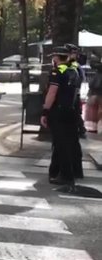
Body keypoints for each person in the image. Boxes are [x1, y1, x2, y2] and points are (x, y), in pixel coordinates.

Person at [42, 46, 80, 187]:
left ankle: (66, 176)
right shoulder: (74, 71)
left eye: (54, 57)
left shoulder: (57, 72)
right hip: (71, 111)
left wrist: (45, 111)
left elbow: (52, 93)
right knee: (64, 144)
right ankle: (56, 171)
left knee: (60, 144)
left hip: (58, 111)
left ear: (57, 58)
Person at [65, 44, 86, 180]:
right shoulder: (74, 67)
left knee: (70, 141)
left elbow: (73, 89)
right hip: (72, 106)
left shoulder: (73, 68)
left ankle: (73, 171)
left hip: (70, 107)